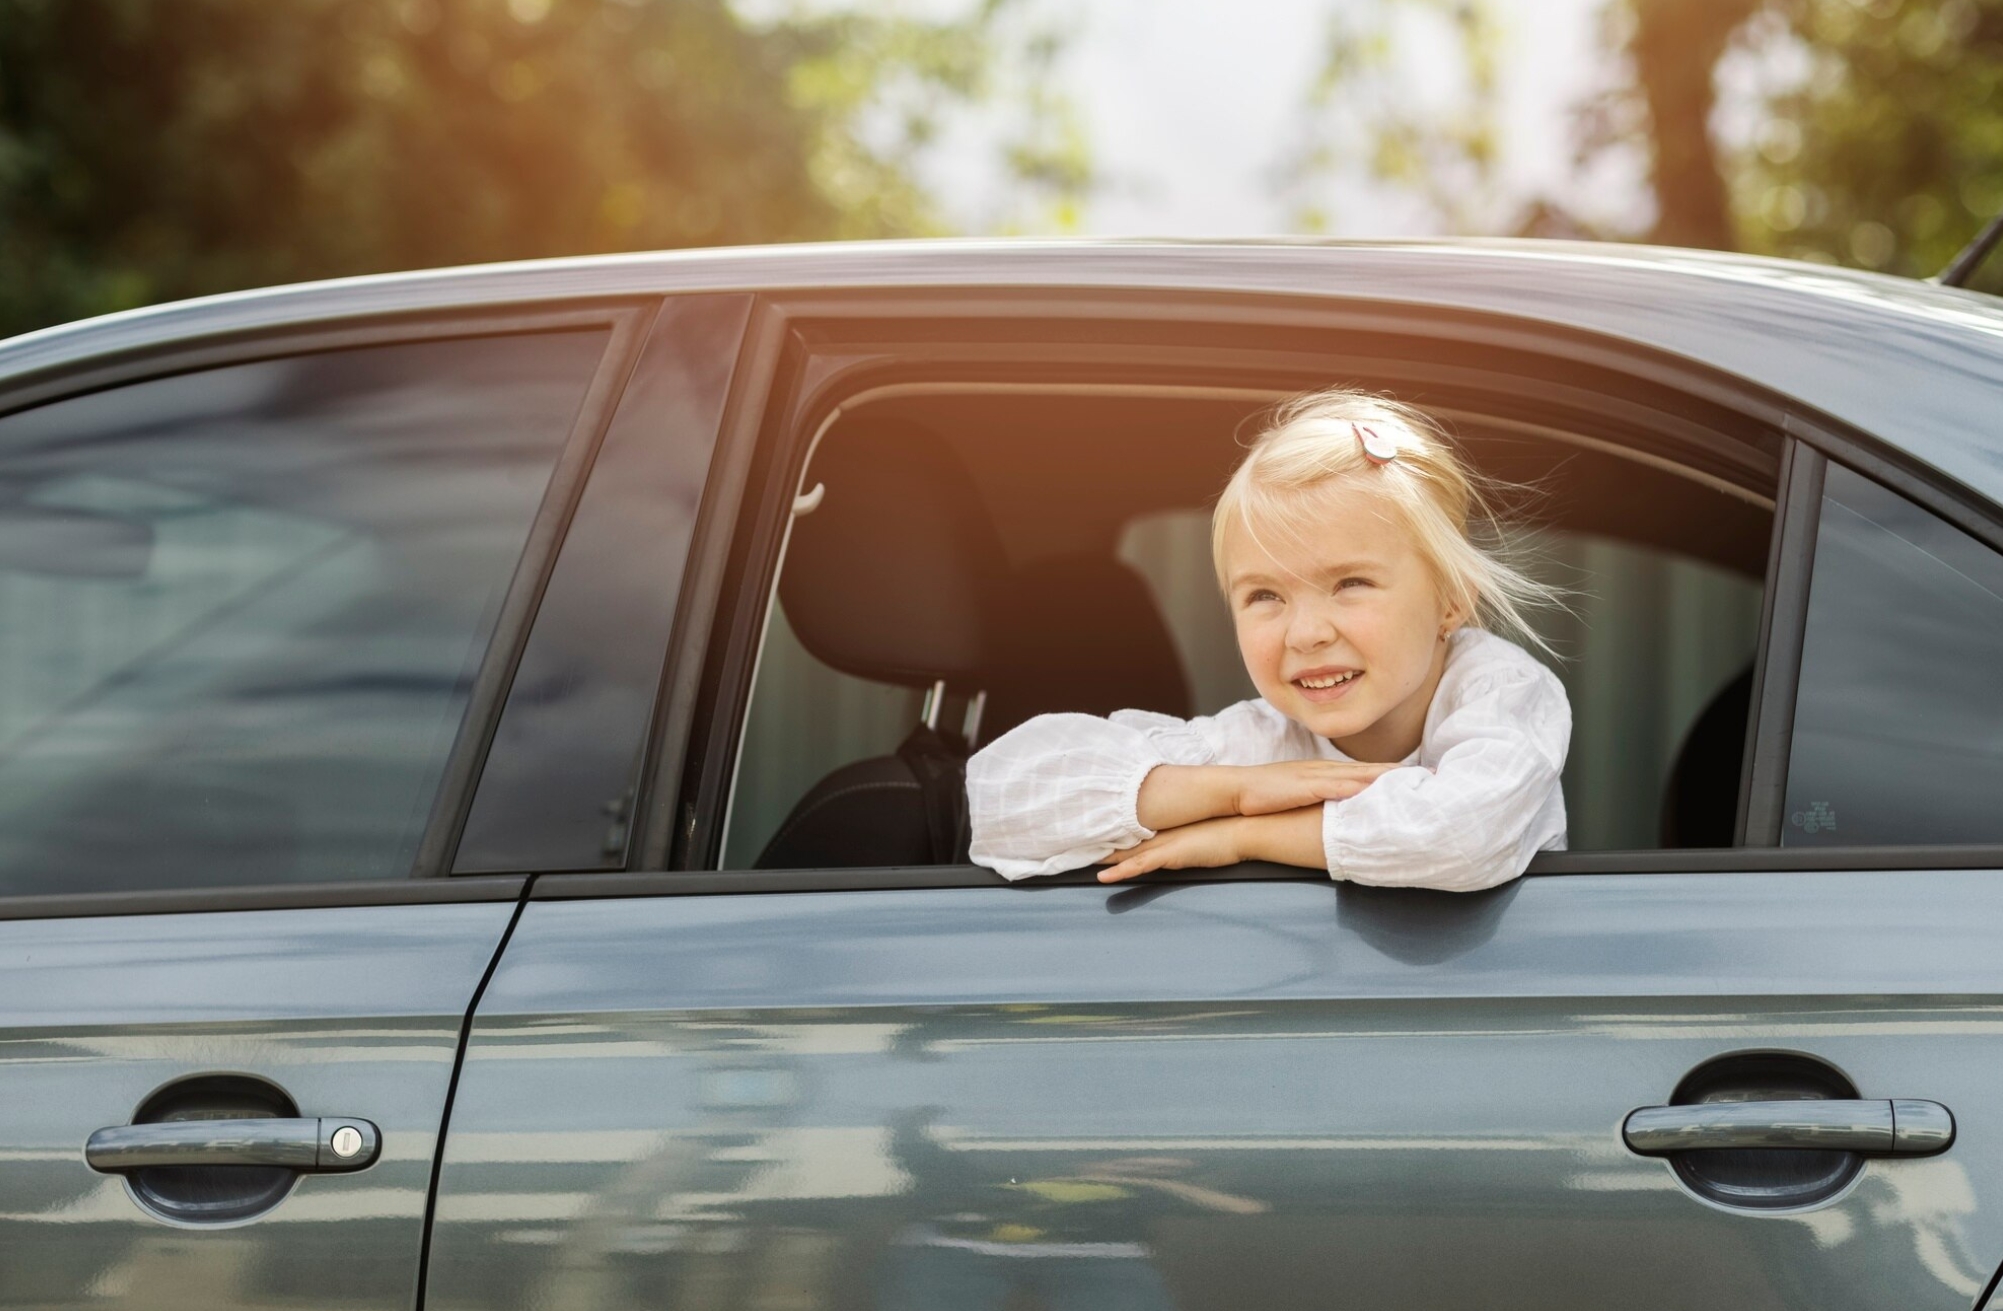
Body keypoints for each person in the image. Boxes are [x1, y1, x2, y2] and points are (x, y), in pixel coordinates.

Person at [965, 386, 1570, 890]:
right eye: (1265, 596)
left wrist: (1245, 835)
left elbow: (1459, 834)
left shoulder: (1503, 692)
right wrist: (1236, 792)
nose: (1306, 634)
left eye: (1350, 583)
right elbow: (1004, 798)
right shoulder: (1261, 742)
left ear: (1451, 597)